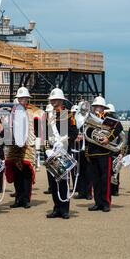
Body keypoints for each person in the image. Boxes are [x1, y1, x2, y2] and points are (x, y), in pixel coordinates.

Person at [44, 88, 78, 219]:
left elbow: (74, 133)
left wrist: (63, 141)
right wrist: (47, 148)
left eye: (55, 100)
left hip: (63, 151)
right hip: (51, 152)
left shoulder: (69, 114)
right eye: (51, 100)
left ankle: (64, 209)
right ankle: (56, 208)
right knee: (53, 182)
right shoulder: (47, 115)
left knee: (63, 182)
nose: (53, 102)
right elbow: (43, 134)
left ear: (60, 100)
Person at [85, 96, 123, 213]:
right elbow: (87, 133)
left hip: (105, 152)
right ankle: (97, 202)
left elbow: (119, 127)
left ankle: (106, 202)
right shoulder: (89, 118)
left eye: (99, 106)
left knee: (105, 179)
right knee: (95, 179)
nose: (97, 108)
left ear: (103, 107)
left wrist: (108, 138)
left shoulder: (108, 118)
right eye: (95, 106)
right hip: (92, 152)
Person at [5, 87, 40, 209]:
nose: (22, 100)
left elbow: (39, 130)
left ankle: (26, 199)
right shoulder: (12, 111)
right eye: (20, 98)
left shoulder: (34, 111)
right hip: (14, 145)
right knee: (16, 173)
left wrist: (39, 145)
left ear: (28, 99)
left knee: (26, 173)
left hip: (28, 145)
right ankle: (18, 198)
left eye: (24, 98)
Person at [105, 103, 122, 197]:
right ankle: (111, 189)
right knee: (109, 171)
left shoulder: (116, 124)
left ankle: (115, 190)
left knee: (115, 170)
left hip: (115, 148)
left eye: (111, 114)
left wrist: (121, 152)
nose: (109, 116)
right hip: (107, 148)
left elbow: (121, 139)